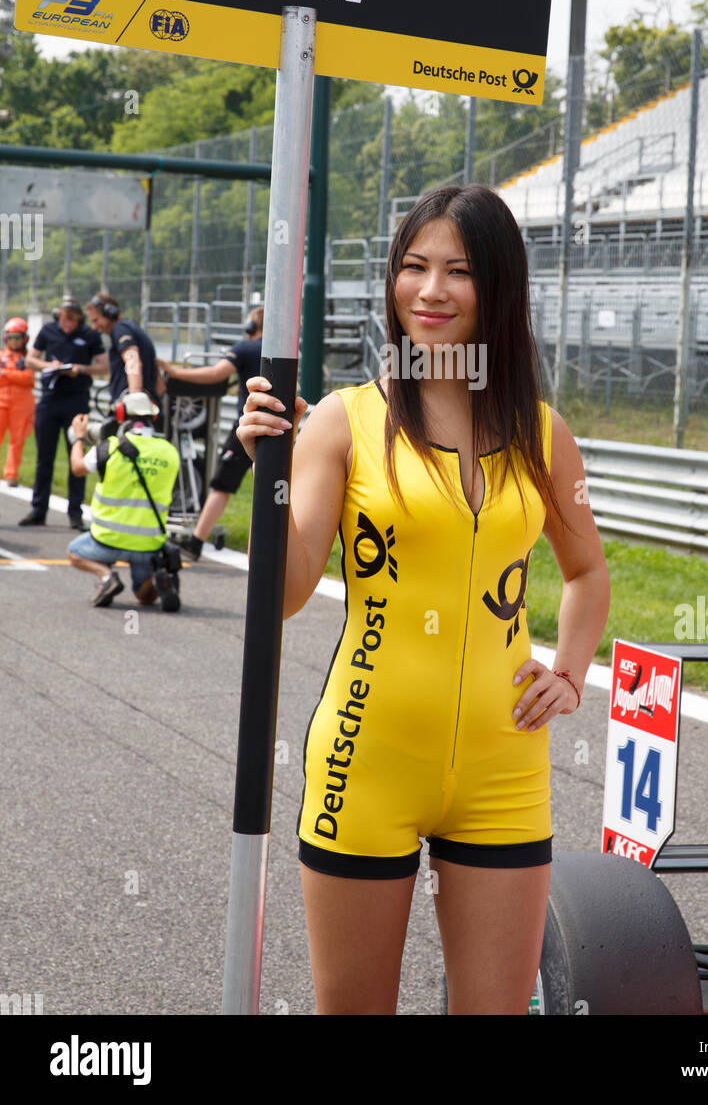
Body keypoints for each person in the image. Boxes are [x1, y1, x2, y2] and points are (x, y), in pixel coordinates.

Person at [237, 184, 611, 1016]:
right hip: (365, 763)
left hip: (504, 766)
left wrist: (572, 672)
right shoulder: (343, 421)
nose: (430, 290)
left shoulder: (543, 434)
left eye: (458, 271)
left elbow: (587, 571)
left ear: (499, 288)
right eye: (413, 266)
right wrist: (272, 477)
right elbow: (290, 592)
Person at [155, 306, 263, 560]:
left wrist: (174, 372)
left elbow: (217, 374)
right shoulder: (280, 350)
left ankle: (194, 542)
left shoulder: (245, 348)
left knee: (220, 485)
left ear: (251, 327)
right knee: (269, 487)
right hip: (276, 426)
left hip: (248, 426)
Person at [67, 391, 181, 610]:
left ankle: (106, 576)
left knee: (74, 552)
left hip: (106, 540)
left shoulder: (109, 447)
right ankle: (157, 581)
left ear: (120, 415)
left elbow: (77, 468)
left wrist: (80, 437)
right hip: (148, 544)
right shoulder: (170, 452)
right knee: (144, 596)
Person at [19, 297, 107, 528]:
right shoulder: (48, 330)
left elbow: (105, 365)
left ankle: (75, 512)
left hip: (76, 401)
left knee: (76, 456)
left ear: (79, 318)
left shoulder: (90, 335)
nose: (67, 322)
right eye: (64, 317)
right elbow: (30, 360)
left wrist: (82, 369)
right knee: (43, 458)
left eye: (72, 317)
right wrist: (50, 366)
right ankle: (38, 509)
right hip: (50, 400)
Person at [86, 292, 161, 411]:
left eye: (96, 320)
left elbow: (133, 360)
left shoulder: (121, 329)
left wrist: (135, 397)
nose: (94, 327)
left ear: (109, 313)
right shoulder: (131, 327)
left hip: (131, 408)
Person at [0, 318, 36, 488]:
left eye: (17, 337)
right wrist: (14, 376)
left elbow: (28, 378)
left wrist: (6, 374)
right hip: (1, 402)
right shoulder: (2, 355)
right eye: (11, 337)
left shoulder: (29, 358)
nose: (14, 341)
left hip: (22, 404)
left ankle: (11, 473)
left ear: (24, 338)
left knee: (17, 440)